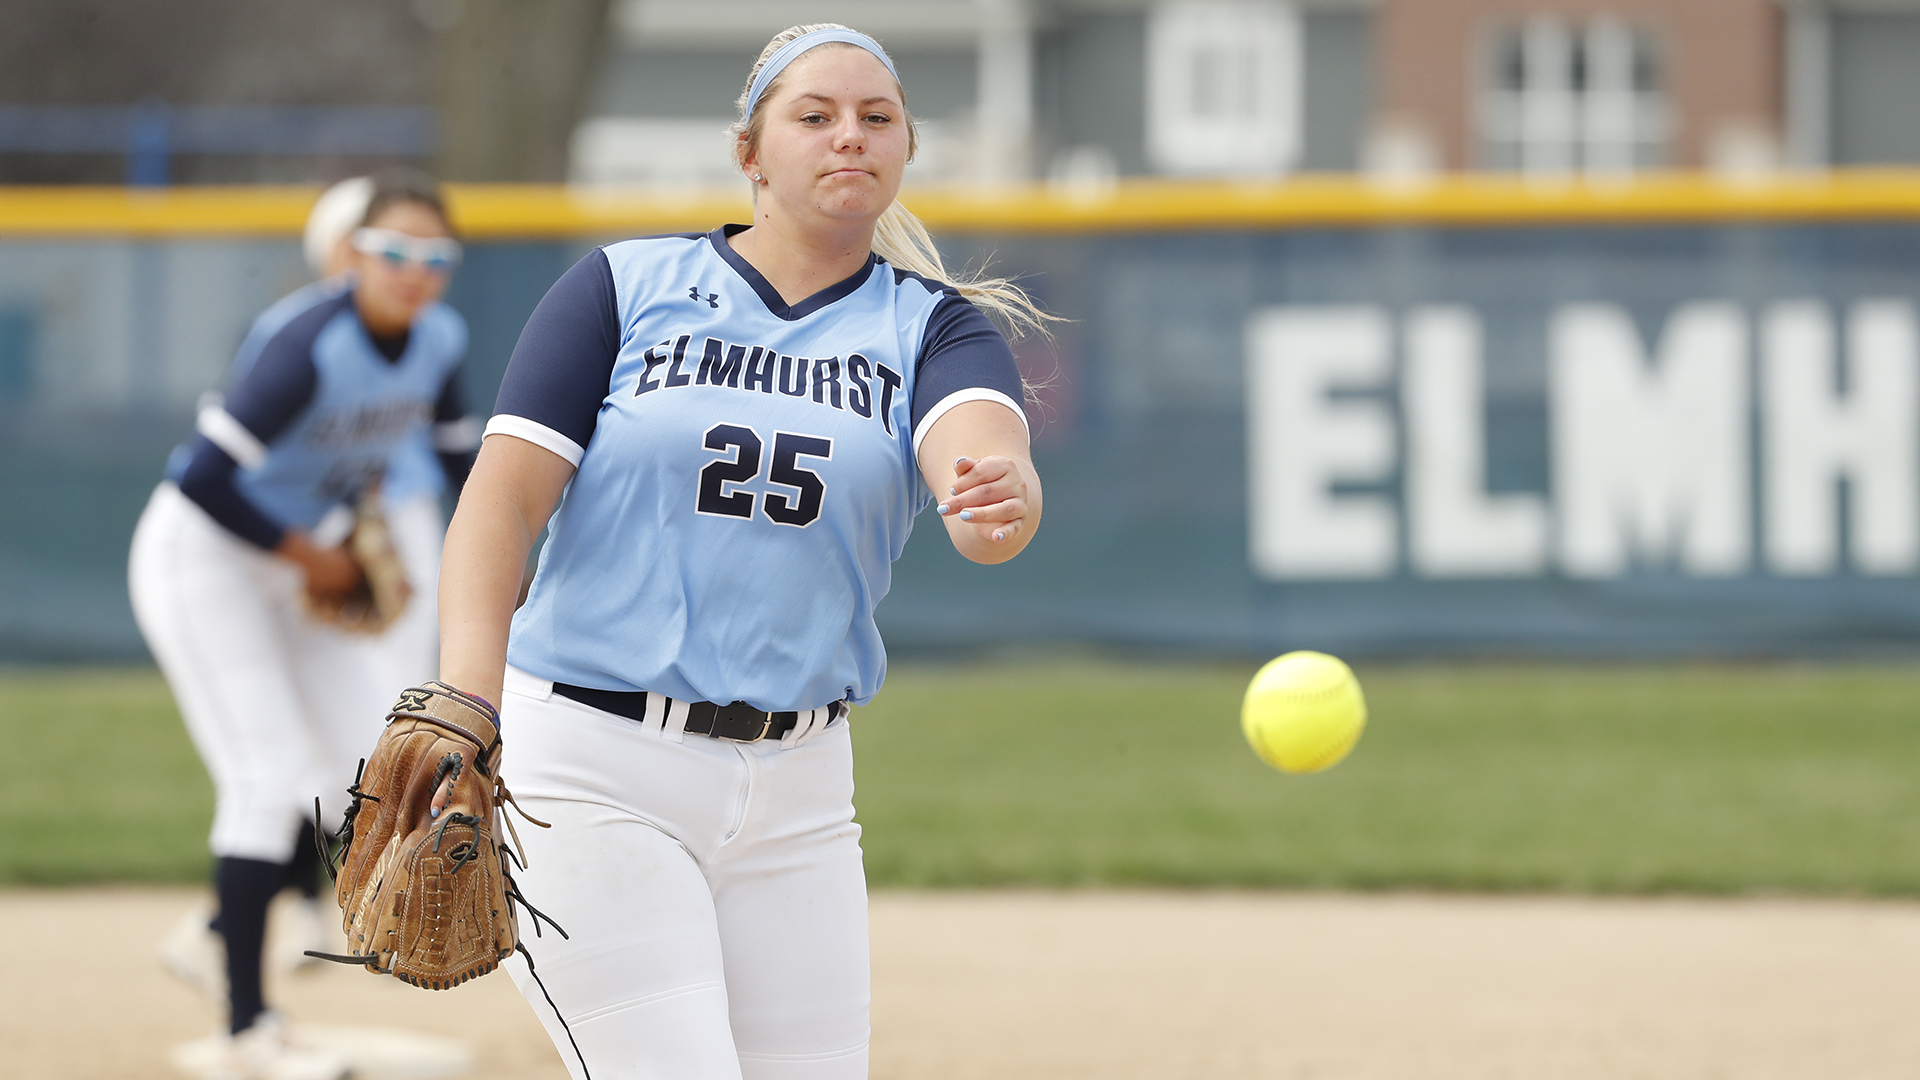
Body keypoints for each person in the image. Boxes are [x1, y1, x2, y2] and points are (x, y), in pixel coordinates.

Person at [431, 22, 1045, 1080]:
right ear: (750, 153)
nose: (848, 135)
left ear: (905, 150)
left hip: (802, 792)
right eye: (814, 116)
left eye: (876, 117)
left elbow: (987, 467)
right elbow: (499, 506)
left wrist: (1001, 501)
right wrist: (463, 709)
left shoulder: (932, 328)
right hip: (590, 763)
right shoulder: (626, 288)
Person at [129, 169, 474, 1080]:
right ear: (354, 253)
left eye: (435, 256)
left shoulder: (437, 337)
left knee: (341, 766)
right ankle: (248, 1031)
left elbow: (459, 460)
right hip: (202, 559)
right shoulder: (308, 341)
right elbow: (204, 478)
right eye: (395, 251)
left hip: (289, 563)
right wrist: (319, 558)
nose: (414, 271)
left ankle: (217, 928)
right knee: (263, 773)